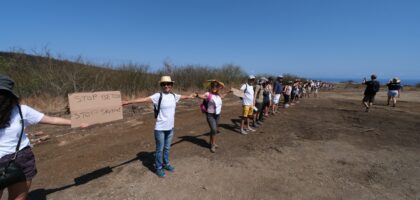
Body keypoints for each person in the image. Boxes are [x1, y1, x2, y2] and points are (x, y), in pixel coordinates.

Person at [0, 75, 88, 200]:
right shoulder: (21, 110)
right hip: (21, 159)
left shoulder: (22, 111)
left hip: (20, 158)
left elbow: (52, 119)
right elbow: (52, 119)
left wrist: (76, 122)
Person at [122, 76, 195, 177]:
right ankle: (158, 168)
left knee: (167, 148)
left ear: (171, 85)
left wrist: (190, 96)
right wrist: (127, 102)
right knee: (159, 149)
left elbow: (183, 96)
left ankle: (166, 164)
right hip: (160, 128)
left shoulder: (174, 95)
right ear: (161, 85)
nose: (166, 86)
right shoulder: (158, 96)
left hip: (170, 128)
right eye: (163, 84)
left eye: (168, 84)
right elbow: (143, 99)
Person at [196, 80, 228, 153]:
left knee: (214, 130)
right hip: (210, 115)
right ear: (210, 87)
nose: (214, 87)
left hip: (217, 115)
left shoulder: (218, 95)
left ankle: (212, 142)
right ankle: (212, 145)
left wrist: (229, 92)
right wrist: (197, 95)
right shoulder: (208, 94)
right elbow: (202, 96)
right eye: (213, 86)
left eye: (216, 86)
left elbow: (223, 95)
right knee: (213, 129)